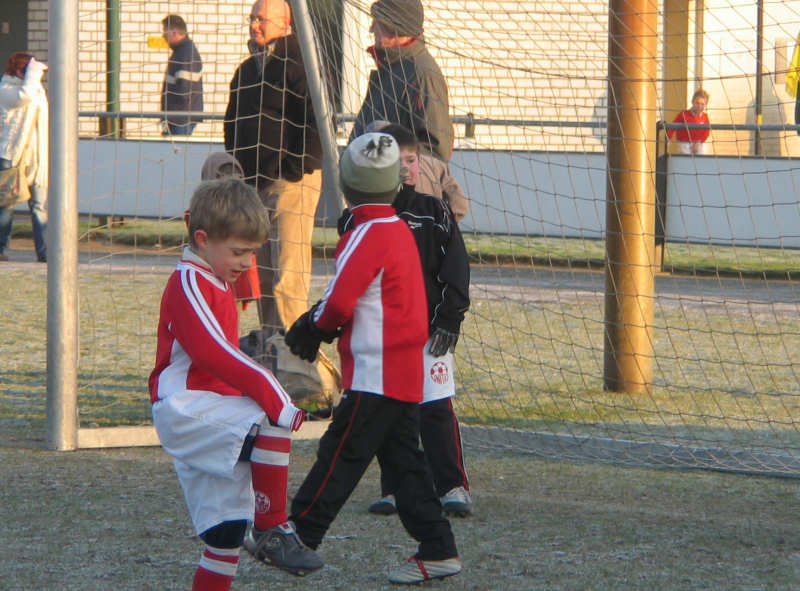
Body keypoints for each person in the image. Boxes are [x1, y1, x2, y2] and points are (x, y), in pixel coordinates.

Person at [273, 132, 462, 584]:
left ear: (348, 185)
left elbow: (340, 301)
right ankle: (438, 549)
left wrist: (312, 328)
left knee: (340, 454)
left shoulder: (368, 230)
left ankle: (299, 536)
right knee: (405, 465)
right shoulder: (395, 227)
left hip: (376, 372)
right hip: (400, 369)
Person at [148, 178, 323, 590]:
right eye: (239, 252)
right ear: (204, 240)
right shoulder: (189, 282)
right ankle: (272, 528)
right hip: (185, 407)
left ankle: (260, 529)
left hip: (211, 408)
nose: (247, 262)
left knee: (223, 539)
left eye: (253, 252)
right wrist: (272, 393)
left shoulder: (214, 273)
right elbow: (211, 352)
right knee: (270, 422)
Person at [340, 124, 472, 518]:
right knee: (391, 413)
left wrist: (449, 319)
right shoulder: (357, 220)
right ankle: (396, 488)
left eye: (413, 161)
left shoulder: (435, 213)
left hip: (430, 334)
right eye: (399, 163)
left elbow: (456, 271)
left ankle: (452, 486)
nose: (408, 170)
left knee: (436, 409)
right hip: (382, 338)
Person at [224, 0, 323, 339]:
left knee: (286, 272)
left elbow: (317, 121)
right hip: (255, 186)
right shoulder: (247, 70)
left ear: (285, 23)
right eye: (252, 18)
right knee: (264, 273)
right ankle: (271, 344)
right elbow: (231, 122)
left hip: (289, 183)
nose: (254, 25)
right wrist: (237, 166)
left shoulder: (300, 64)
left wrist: (292, 168)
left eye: (261, 19)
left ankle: (294, 353)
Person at [350, 0, 454, 163]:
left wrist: (383, 159)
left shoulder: (422, 75)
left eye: (376, 22)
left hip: (396, 186)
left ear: (394, 28)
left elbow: (435, 154)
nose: (371, 29)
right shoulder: (393, 68)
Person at [366, 120, 469, 222]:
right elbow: (460, 205)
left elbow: (460, 204)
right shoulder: (435, 164)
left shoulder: (374, 173)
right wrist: (441, 223)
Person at [0, 52, 48, 263]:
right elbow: (24, 97)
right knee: (6, 205)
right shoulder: (6, 90)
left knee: (39, 206)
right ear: (21, 71)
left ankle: (45, 252)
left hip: (35, 158)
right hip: (11, 156)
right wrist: (33, 73)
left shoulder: (35, 89)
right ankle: (1, 248)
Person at [161, 15, 203, 136]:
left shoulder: (185, 53)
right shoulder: (181, 52)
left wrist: (171, 114)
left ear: (174, 32)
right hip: (178, 118)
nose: (163, 36)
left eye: (165, 31)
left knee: (177, 153)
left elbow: (185, 90)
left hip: (181, 120)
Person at [667, 89, 710, 155]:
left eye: (702, 104)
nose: (699, 106)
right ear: (692, 102)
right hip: (685, 144)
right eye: (697, 103)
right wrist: (668, 140)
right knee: (686, 160)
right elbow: (672, 127)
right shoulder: (683, 115)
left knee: (701, 159)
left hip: (698, 144)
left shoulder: (705, 117)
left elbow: (706, 132)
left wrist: (698, 143)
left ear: (705, 105)